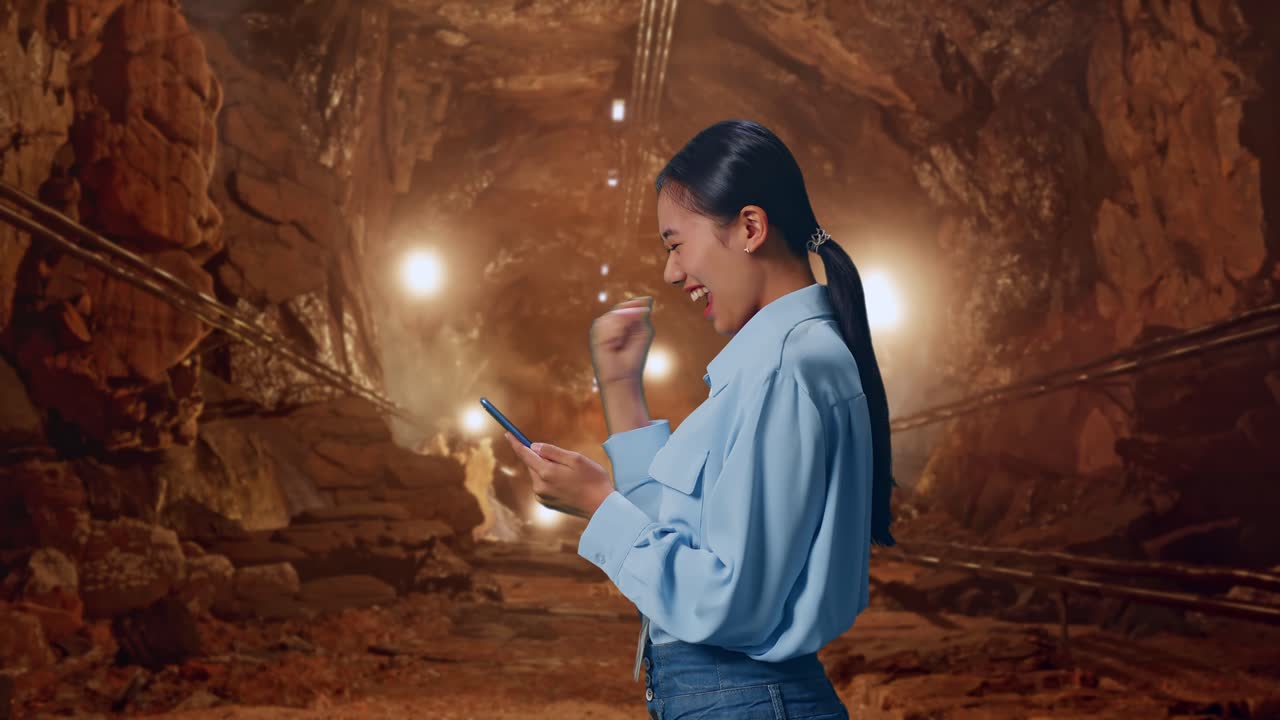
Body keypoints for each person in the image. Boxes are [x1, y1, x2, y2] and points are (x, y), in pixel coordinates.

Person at [505, 119, 895, 720]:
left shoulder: (785, 368)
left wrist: (599, 506)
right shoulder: (779, 362)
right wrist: (620, 385)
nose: (670, 272)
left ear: (749, 228)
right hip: (736, 699)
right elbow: (683, 536)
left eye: (675, 244)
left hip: (745, 699)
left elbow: (731, 601)